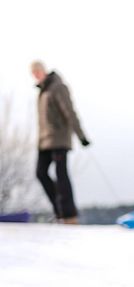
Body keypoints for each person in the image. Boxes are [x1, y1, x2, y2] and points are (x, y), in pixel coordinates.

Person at [31, 61, 91, 224]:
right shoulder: (42, 91)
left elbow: (69, 112)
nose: (35, 75)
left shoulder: (57, 87)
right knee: (40, 173)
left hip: (59, 139)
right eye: (33, 73)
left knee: (61, 174)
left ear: (43, 70)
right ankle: (59, 211)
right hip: (44, 140)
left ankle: (69, 215)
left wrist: (81, 136)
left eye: (37, 71)